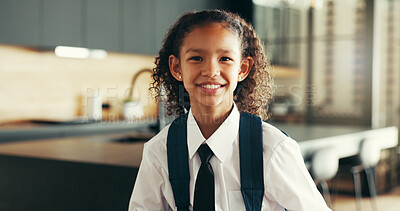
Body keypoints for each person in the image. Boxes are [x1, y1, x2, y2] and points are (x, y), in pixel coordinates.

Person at [129, 9, 331, 211]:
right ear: (177, 68)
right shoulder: (158, 152)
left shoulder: (272, 149)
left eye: (225, 59)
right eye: (197, 58)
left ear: (242, 69)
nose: (211, 71)